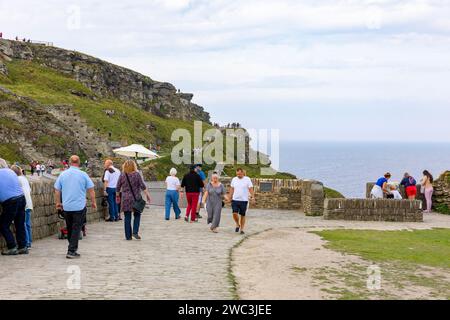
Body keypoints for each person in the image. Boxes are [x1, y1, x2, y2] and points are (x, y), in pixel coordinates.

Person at [54, 155, 96, 259]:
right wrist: (93, 202)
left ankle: (72, 248)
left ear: (69, 162)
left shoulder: (63, 174)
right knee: (76, 228)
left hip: (67, 206)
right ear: (79, 162)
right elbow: (91, 189)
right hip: (79, 206)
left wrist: (58, 203)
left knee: (70, 227)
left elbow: (57, 190)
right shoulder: (83, 174)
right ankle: (71, 250)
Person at [116, 160, 151, 240]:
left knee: (127, 217)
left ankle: (128, 236)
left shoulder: (122, 175)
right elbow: (142, 186)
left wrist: (117, 196)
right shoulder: (137, 174)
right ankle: (135, 232)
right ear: (134, 166)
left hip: (126, 199)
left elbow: (117, 187)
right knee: (137, 215)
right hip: (136, 198)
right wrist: (148, 195)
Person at [0, 159, 28, 255]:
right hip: (21, 198)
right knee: (19, 224)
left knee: (3, 225)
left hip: (10, 202)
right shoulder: (11, 171)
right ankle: (23, 246)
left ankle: (12, 247)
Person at [11, 165, 34, 249]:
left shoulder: (17, 179)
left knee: (22, 224)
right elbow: (29, 190)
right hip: (29, 203)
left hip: (23, 204)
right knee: (27, 224)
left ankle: (26, 243)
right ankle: (29, 241)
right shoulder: (24, 178)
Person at [229, 168, 255, 235]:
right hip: (235, 199)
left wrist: (253, 197)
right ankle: (237, 224)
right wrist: (230, 197)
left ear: (243, 173)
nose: (238, 175)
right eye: (237, 174)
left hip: (244, 200)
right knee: (234, 213)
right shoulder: (234, 179)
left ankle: (242, 229)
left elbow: (250, 188)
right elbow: (232, 188)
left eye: (239, 174)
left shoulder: (247, 179)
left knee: (242, 215)